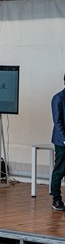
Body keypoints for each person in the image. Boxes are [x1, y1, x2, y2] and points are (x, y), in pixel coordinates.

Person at [50, 75, 65, 211]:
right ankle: (56, 199)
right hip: (62, 142)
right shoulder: (58, 98)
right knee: (60, 170)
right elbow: (57, 121)